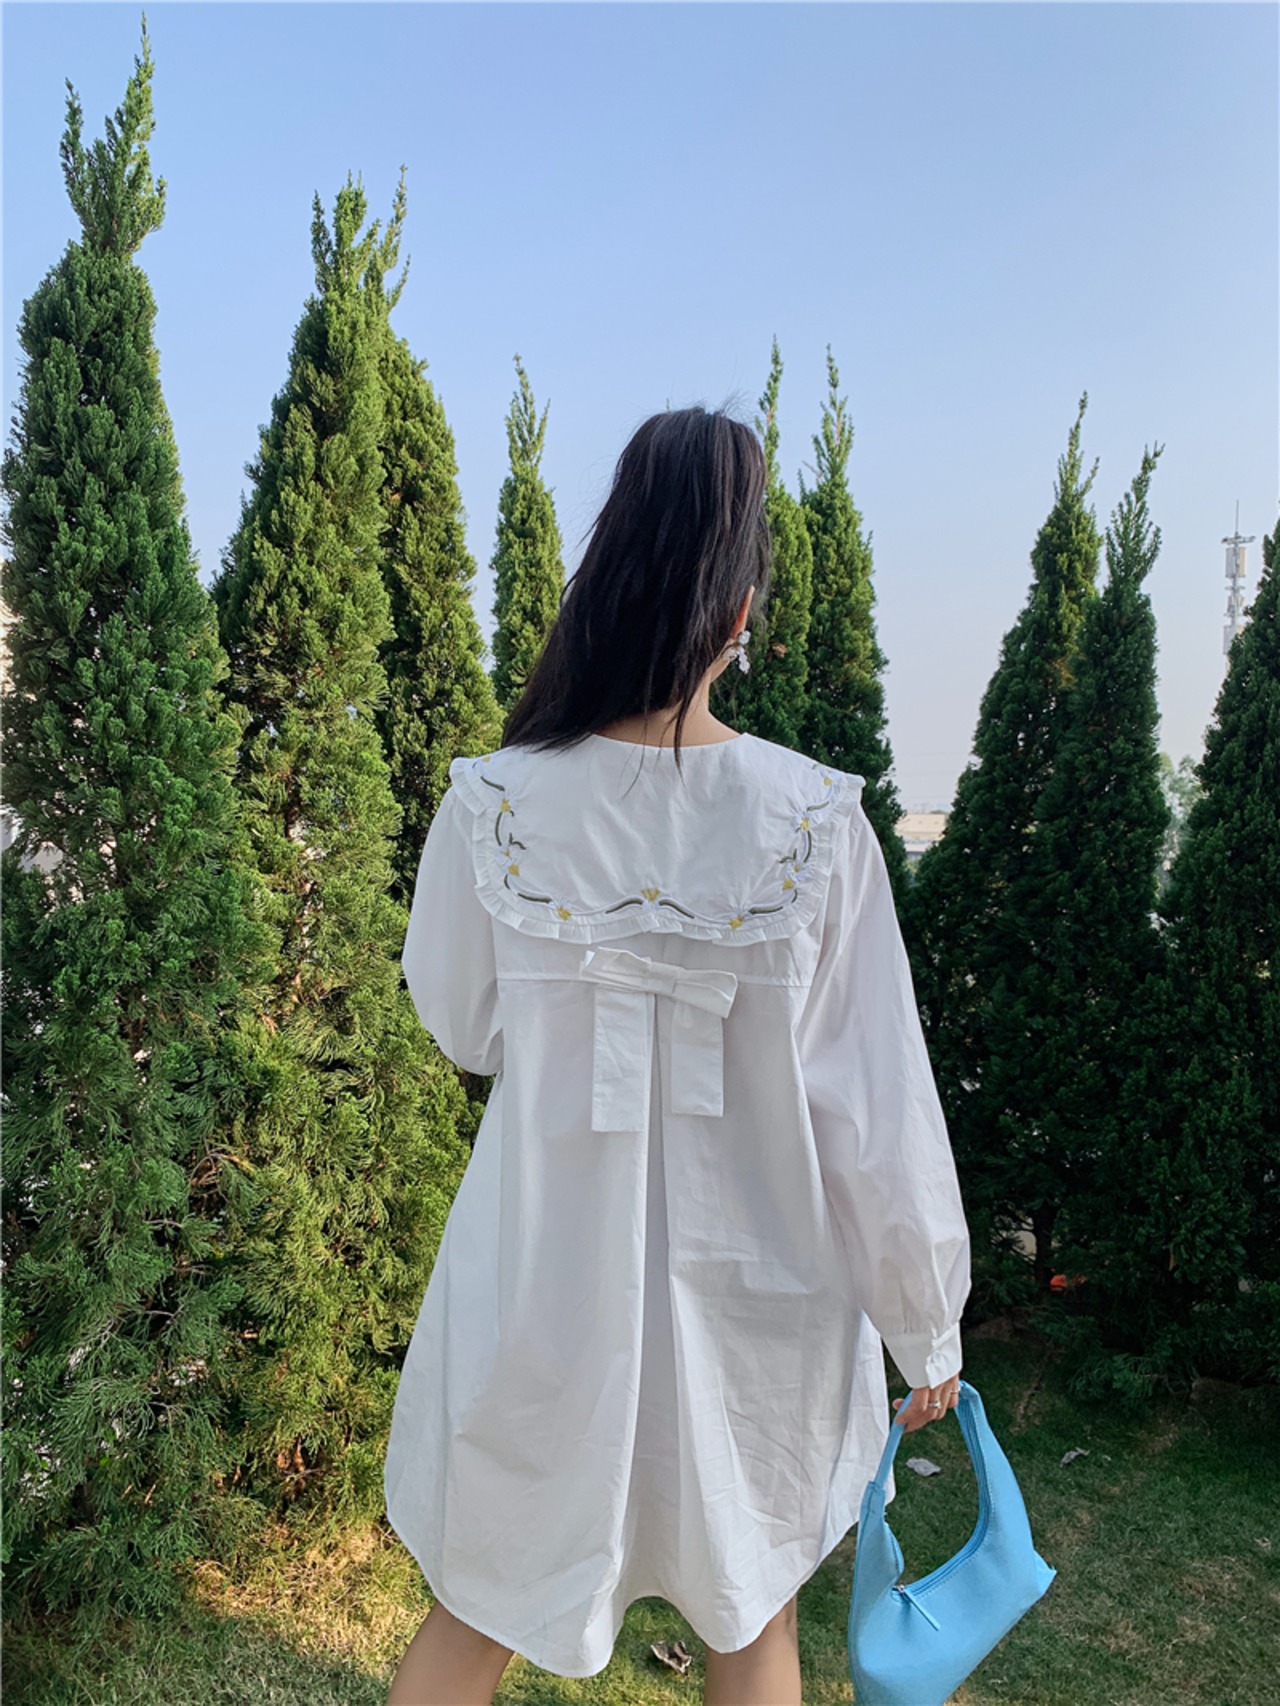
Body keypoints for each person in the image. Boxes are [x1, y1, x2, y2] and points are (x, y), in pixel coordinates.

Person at [383, 405, 971, 1706]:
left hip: (542, 1281)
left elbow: (463, 1020)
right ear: (740, 609)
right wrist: (925, 1314)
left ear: (609, 579)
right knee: (751, 1618)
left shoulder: (495, 805)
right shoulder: (813, 823)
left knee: (475, 1605)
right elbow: (874, 1105)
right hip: (763, 1294)